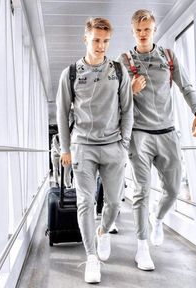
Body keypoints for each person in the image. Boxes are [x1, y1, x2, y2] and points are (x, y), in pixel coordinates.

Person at [117, 9, 196, 271]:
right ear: (132, 31)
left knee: (174, 189)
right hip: (139, 135)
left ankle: (158, 218)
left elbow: (186, 87)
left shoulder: (168, 57)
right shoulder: (123, 61)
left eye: (148, 30)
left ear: (154, 30)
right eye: (138, 31)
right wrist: (130, 91)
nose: (143, 35)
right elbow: (112, 103)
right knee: (141, 191)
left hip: (167, 132)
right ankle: (142, 247)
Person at [56, 17, 133, 283]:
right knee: (85, 202)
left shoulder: (119, 71)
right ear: (85, 39)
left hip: (113, 147)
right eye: (96, 40)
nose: (101, 46)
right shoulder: (71, 73)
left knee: (113, 202)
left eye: (105, 41)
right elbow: (62, 112)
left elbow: (128, 110)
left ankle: (102, 232)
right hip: (83, 148)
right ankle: (91, 258)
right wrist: (66, 148)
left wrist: (124, 144)